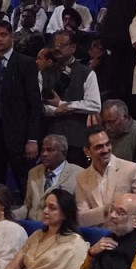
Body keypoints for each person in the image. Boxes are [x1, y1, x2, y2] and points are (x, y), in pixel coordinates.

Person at [0, 20, 43, 196]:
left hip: (18, 134)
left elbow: (34, 103)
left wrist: (32, 139)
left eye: (3, 35)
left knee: (25, 183)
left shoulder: (25, 63)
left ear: (11, 37)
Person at [43, 29, 101, 167]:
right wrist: (55, 111)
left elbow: (95, 105)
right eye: (55, 45)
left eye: (61, 45)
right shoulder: (45, 73)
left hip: (75, 139)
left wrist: (63, 104)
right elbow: (38, 104)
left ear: (73, 48)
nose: (57, 48)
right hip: (49, 136)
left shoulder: (87, 73)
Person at [76, 125, 136, 227]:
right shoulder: (81, 177)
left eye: (107, 144)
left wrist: (95, 214)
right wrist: (111, 209)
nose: (105, 150)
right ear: (87, 151)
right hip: (96, 234)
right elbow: (82, 218)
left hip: (126, 232)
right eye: (99, 147)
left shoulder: (131, 169)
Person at [14, 134, 83, 221]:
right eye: (43, 150)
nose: (45, 154)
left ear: (64, 153)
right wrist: (9, 216)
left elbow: (78, 212)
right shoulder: (34, 172)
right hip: (33, 225)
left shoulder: (78, 174)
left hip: (59, 226)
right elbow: (27, 206)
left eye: (50, 150)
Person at [100, 99, 136, 170]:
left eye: (112, 122)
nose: (107, 127)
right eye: (105, 123)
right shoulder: (105, 133)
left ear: (125, 117)